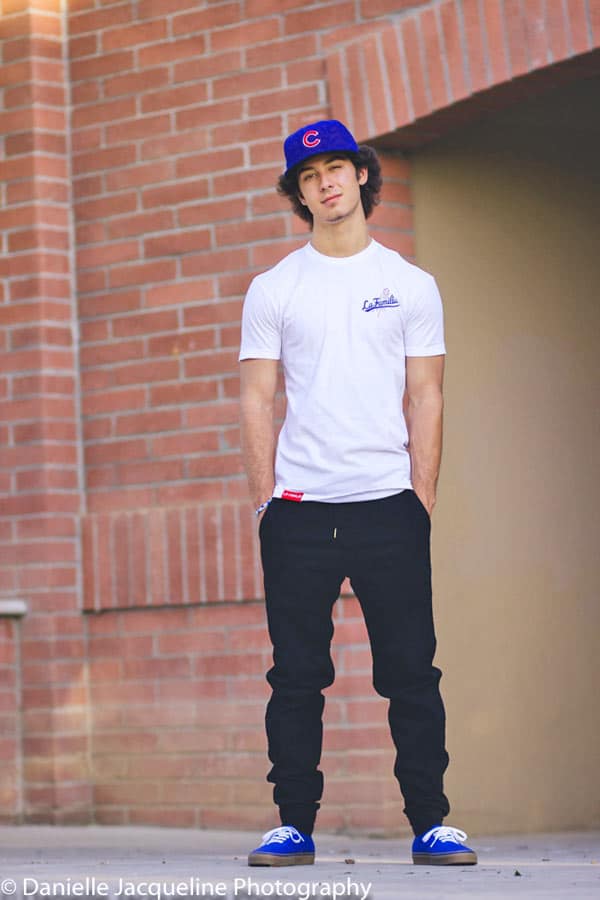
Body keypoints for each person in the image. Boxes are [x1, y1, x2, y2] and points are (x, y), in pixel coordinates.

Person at [238, 119, 477, 867]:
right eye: (309, 177)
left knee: (410, 670)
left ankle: (432, 823)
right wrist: (264, 505)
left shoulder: (409, 285)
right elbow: (255, 400)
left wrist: (421, 500)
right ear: (298, 193)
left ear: (362, 176)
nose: (326, 184)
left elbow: (428, 397)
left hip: (387, 508)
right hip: (301, 512)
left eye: (336, 168)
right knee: (296, 675)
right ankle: (293, 825)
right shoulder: (274, 287)